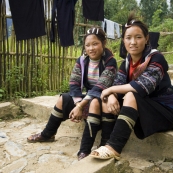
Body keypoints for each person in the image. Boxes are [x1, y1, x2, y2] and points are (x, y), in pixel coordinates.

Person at [90, 13, 173, 160]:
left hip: (165, 111)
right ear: (123, 40)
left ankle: (114, 147)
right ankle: (106, 143)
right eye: (128, 38)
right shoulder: (126, 63)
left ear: (147, 39)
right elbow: (117, 84)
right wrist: (111, 95)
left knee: (129, 94)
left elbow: (142, 87)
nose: (133, 42)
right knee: (107, 99)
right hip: (146, 109)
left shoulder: (156, 59)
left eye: (138, 37)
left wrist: (110, 90)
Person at [27, 27, 118, 160]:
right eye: (87, 45)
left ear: (103, 43)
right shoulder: (82, 61)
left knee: (94, 102)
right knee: (63, 99)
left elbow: (100, 86)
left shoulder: (110, 61)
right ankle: (48, 134)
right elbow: (74, 83)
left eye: (95, 44)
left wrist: (81, 106)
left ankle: (85, 150)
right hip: (88, 99)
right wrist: (77, 103)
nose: (91, 48)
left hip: (103, 100)